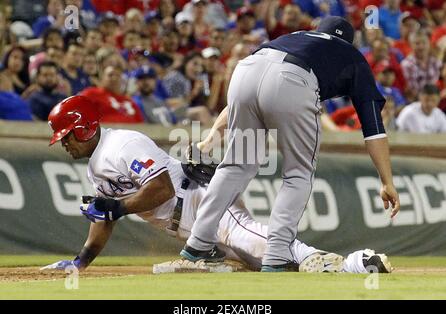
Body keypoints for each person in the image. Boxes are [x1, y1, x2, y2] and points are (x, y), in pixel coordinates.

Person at [41, 95, 391, 274]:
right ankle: (337, 267)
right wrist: (80, 261)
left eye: (68, 135)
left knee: (254, 240)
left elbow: (161, 188)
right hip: (186, 225)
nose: (66, 143)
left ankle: (350, 263)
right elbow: (104, 218)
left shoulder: (121, 145)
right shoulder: (96, 167)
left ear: (85, 128)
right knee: (261, 262)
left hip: (199, 201)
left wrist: (116, 208)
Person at [180, 16, 400, 272]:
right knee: (298, 173)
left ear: (317, 31)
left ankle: (197, 244)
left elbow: (240, 100)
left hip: (246, 70)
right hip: (293, 79)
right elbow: (373, 129)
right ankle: (276, 256)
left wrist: (208, 142)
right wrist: (387, 181)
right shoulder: (352, 56)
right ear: (348, 42)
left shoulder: (294, 37)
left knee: (236, 165)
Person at [79, 65, 145, 123]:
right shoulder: (91, 94)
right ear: (102, 78)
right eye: (110, 75)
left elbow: (142, 125)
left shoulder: (129, 101)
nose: (114, 78)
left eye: (118, 76)